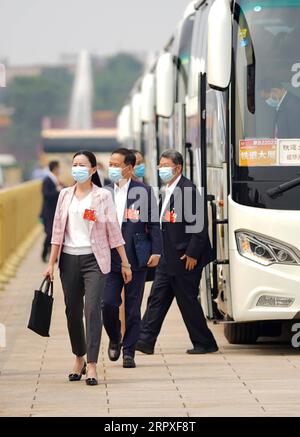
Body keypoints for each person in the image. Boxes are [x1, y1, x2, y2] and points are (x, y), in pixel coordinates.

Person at [44, 150, 132, 386]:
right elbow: (56, 232)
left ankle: (92, 364)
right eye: (74, 164)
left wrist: (124, 261)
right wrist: (51, 263)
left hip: (95, 260)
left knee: (92, 310)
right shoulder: (64, 195)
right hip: (69, 260)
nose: (78, 168)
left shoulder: (102, 196)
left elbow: (114, 231)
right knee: (72, 311)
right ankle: (79, 357)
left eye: (82, 165)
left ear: (93, 170)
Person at [136, 150, 218, 355]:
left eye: (165, 165)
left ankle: (205, 342)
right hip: (168, 256)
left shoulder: (187, 190)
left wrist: (192, 254)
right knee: (157, 298)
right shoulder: (168, 189)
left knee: (187, 301)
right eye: (160, 165)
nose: (161, 169)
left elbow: (199, 226)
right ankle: (145, 340)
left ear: (178, 168)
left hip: (184, 258)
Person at [102, 148, 162, 368]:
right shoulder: (104, 193)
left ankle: (129, 352)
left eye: (116, 164)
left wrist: (157, 251)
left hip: (137, 256)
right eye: (110, 163)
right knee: (107, 303)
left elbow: (154, 224)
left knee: (133, 307)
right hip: (110, 257)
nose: (112, 168)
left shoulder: (143, 191)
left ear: (128, 168)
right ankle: (114, 337)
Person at [40, 161, 63, 263]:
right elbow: (46, 194)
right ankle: (45, 253)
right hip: (48, 212)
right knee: (49, 233)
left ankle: (52, 256)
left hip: (55, 212)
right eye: (58, 168)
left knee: (53, 234)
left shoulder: (56, 180)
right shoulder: (47, 180)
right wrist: (57, 190)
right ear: (54, 169)